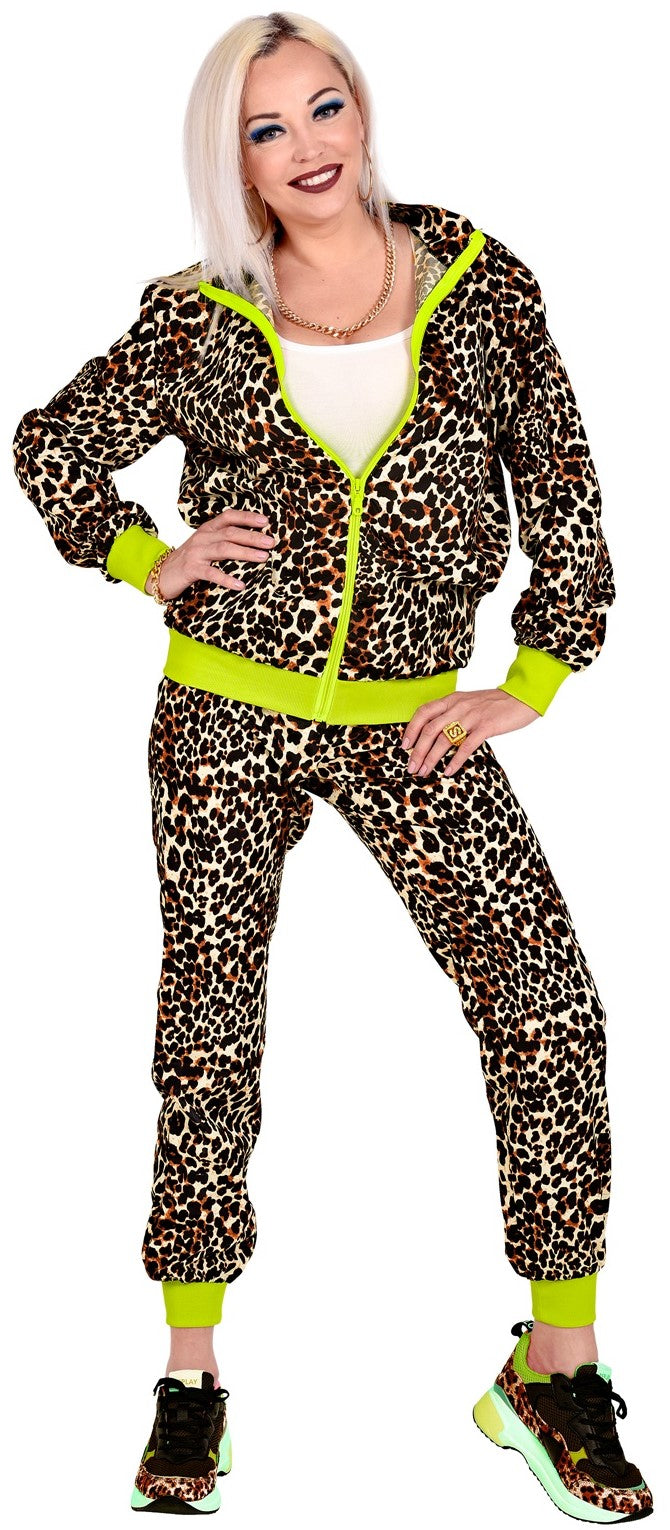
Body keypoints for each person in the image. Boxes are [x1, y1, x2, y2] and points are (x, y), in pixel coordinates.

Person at [11, 9, 652, 1522]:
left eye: (323, 108)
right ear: (232, 159)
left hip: (415, 717)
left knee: (545, 1000)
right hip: (226, 715)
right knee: (208, 1025)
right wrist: (148, 558)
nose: (305, 148)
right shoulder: (201, 315)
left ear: (361, 110)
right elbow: (52, 442)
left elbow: (565, 486)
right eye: (265, 128)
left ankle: (553, 1365)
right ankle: (191, 1378)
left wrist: (534, 677)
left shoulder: (480, 285)